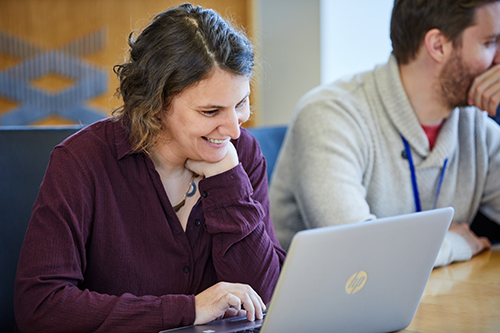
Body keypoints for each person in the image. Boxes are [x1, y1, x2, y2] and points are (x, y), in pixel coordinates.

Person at [14, 3, 285, 332]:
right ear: (155, 106)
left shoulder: (240, 153)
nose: (233, 129)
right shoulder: (82, 162)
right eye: (211, 112)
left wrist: (229, 181)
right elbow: (42, 306)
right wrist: (188, 309)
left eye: (240, 103)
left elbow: (266, 296)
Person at [270, 0, 500, 267]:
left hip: (434, 301)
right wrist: (451, 244)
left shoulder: (474, 125)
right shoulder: (329, 114)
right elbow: (359, 255)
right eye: (490, 43)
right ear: (438, 46)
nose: (499, 59)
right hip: (328, 306)